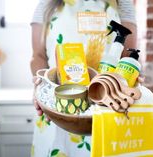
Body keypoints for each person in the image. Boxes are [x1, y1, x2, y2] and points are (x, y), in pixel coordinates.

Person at [30, 0, 137, 156]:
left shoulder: (123, 3)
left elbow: (128, 56)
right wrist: (40, 86)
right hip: (56, 105)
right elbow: (37, 55)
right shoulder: (47, 3)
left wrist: (132, 79)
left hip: (107, 106)